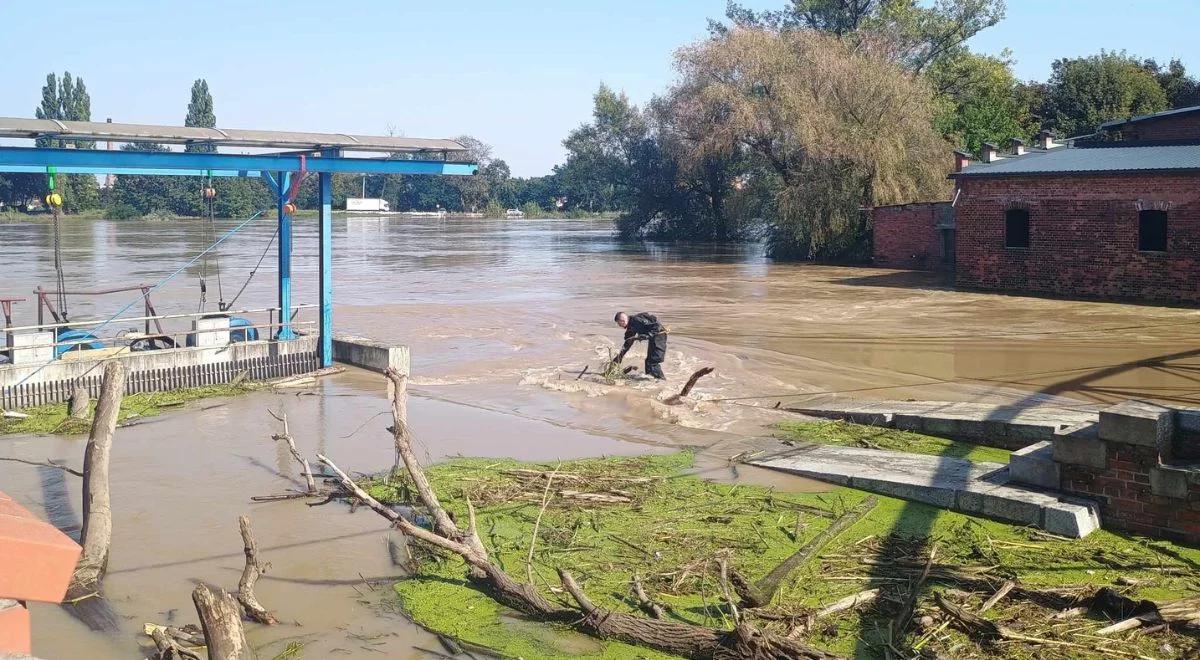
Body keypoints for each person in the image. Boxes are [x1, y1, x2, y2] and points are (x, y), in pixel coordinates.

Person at [614, 311, 668, 379]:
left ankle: (661, 381)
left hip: (660, 336)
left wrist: (648, 335)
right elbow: (628, 342)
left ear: (622, 321)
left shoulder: (637, 320)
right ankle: (650, 379)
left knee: (653, 361)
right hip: (653, 338)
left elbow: (657, 326)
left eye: (619, 324)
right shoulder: (631, 326)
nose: (619, 326)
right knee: (648, 362)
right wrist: (619, 357)